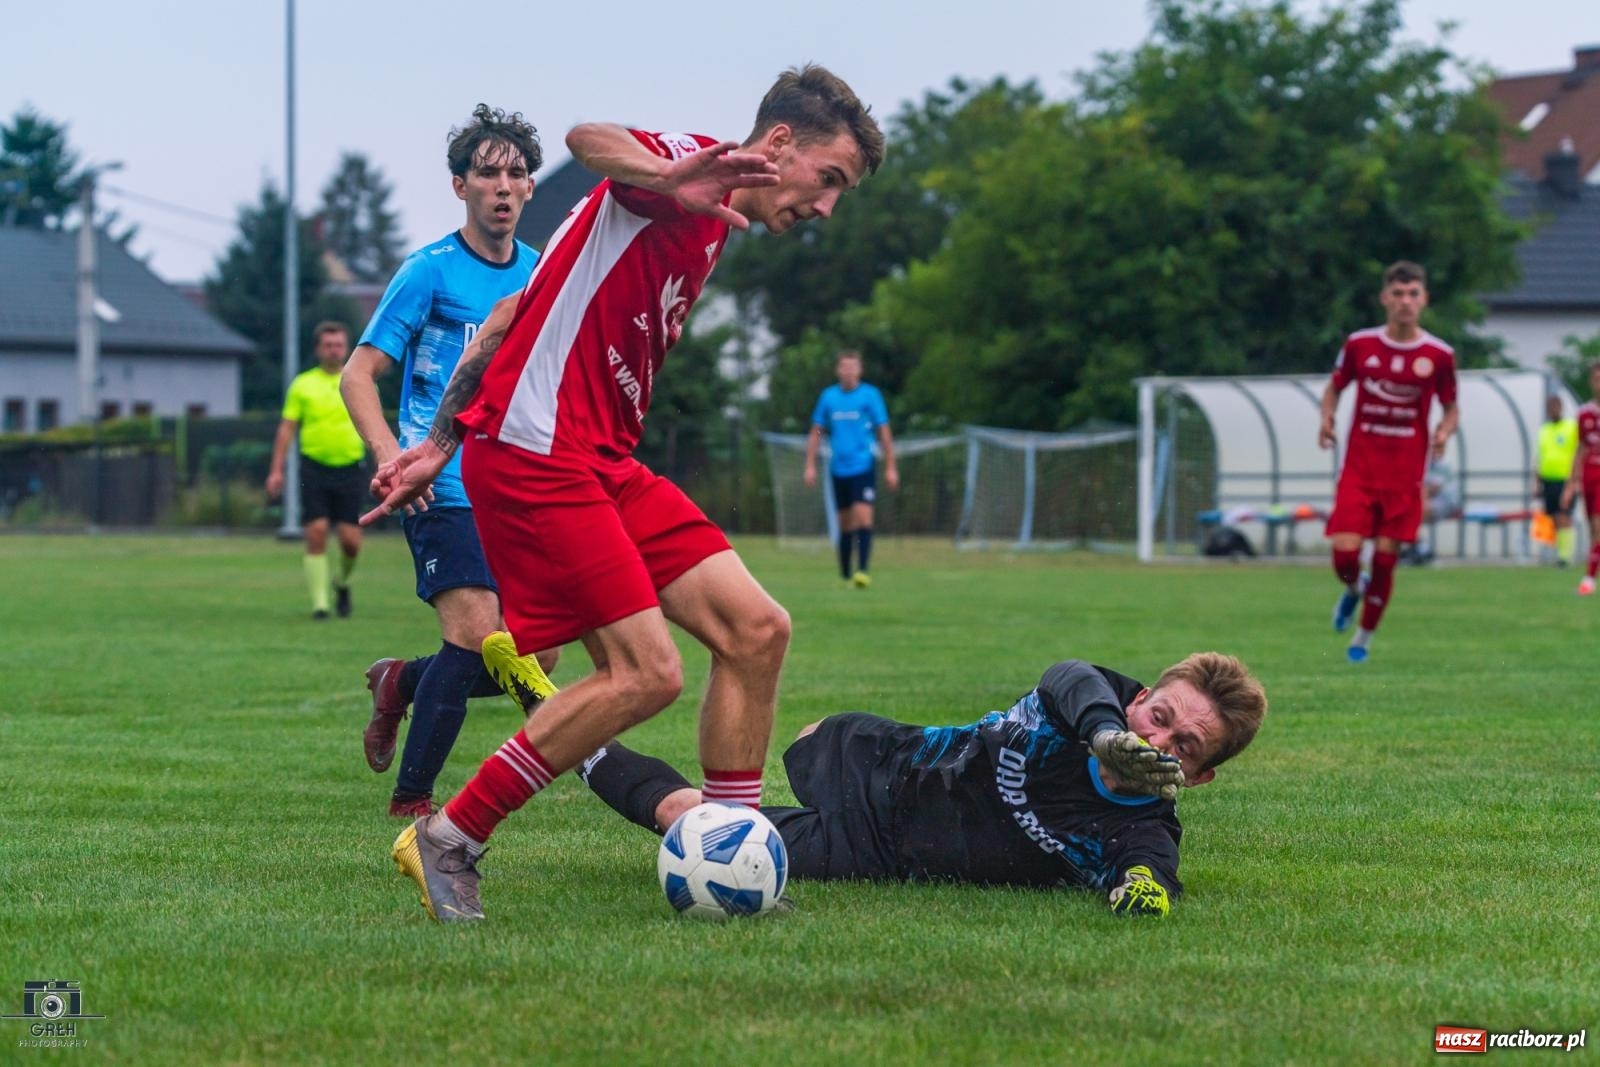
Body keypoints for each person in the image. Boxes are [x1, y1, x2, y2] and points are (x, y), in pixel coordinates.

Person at [368, 64, 886, 922]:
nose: (827, 207)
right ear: (781, 145)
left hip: (597, 460)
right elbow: (586, 141)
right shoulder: (691, 174)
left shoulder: (709, 222)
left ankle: (735, 854)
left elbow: (506, 321)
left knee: (757, 629)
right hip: (540, 454)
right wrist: (673, 174)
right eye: (829, 180)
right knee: (646, 672)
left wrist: (436, 442)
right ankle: (450, 836)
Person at [579, 652, 1266, 917]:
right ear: (1139, 697)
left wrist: (1142, 889)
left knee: (695, 824)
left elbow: (1152, 868)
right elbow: (1068, 676)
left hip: (873, 850)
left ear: (1199, 777)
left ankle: (568, 731)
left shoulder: (1141, 825)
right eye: (1159, 717)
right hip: (884, 759)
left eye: (1183, 746)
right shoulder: (1092, 698)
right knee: (803, 741)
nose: (1158, 741)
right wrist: (1104, 733)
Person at [339, 105, 560, 818]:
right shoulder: (427, 272)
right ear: (459, 185)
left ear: (530, 189)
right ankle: (414, 803)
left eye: (517, 173)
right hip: (440, 485)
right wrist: (393, 457)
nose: (503, 185)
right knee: (472, 633)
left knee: (538, 657)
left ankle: (400, 683)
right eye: (488, 172)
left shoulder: (541, 275)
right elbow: (357, 374)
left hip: (514, 487)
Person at [1319, 261, 1458, 662]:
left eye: (1413, 294)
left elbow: (1452, 408)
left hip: (1403, 479)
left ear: (1424, 299)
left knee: (1385, 560)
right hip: (1360, 473)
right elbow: (1335, 387)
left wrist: (1445, 431)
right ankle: (1352, 589)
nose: (1405, 302)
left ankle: (1362, 637)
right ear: (1385, 298)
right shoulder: (1360, 345)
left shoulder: (1439, 355)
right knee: (1344, 556)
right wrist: (1327, 416)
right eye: (1398, 294)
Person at [266, 322, 366, 620]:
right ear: (318, 348)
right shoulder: (302, 384)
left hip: (351, 467)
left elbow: (370, 423)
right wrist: (276, 470)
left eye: (338, 344)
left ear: (346, 347)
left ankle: (342, 583)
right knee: (317, 532)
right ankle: (320, 605)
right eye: (328, 344)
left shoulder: (359, 380)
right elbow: (286, 429)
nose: (333, 349)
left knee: (350, 540)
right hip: (314, 468)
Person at [803, 350, 898, 587]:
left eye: (853, 367)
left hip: (863, 466)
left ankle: (862, 571)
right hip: (839, 469)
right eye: (844, 367)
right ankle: (845, 574)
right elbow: (817, 431)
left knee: (863, 518)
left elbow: (883, 431)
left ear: (859, 370)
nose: (848, 371)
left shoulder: (870, 396)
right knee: (845, 523)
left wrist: (890, 466)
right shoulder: (829, 397)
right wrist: (810, 465)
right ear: (838, 370)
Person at [1559, 361, 1600, 596]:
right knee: (1593, 529)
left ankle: (1589, 579)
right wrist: (1571, 483)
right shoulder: (1584, 413)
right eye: (1596, 378)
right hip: (1589, 476)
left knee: (1598, 526)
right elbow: (1581, 448)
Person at [1536, 393, 1579, 567]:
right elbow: (1541, 456)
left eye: (1555, 406)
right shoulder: (1544, 430)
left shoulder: (1571, 427)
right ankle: (1554, 553)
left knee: (1564, 515)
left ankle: (1565, 556)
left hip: (1565, 479)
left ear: (1561, 407)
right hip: (1548, 479)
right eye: (1550, 407)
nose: (1552, 410)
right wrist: (1537, 480)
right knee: (1552, 517)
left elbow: (1578, 452)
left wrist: (1575, 479)